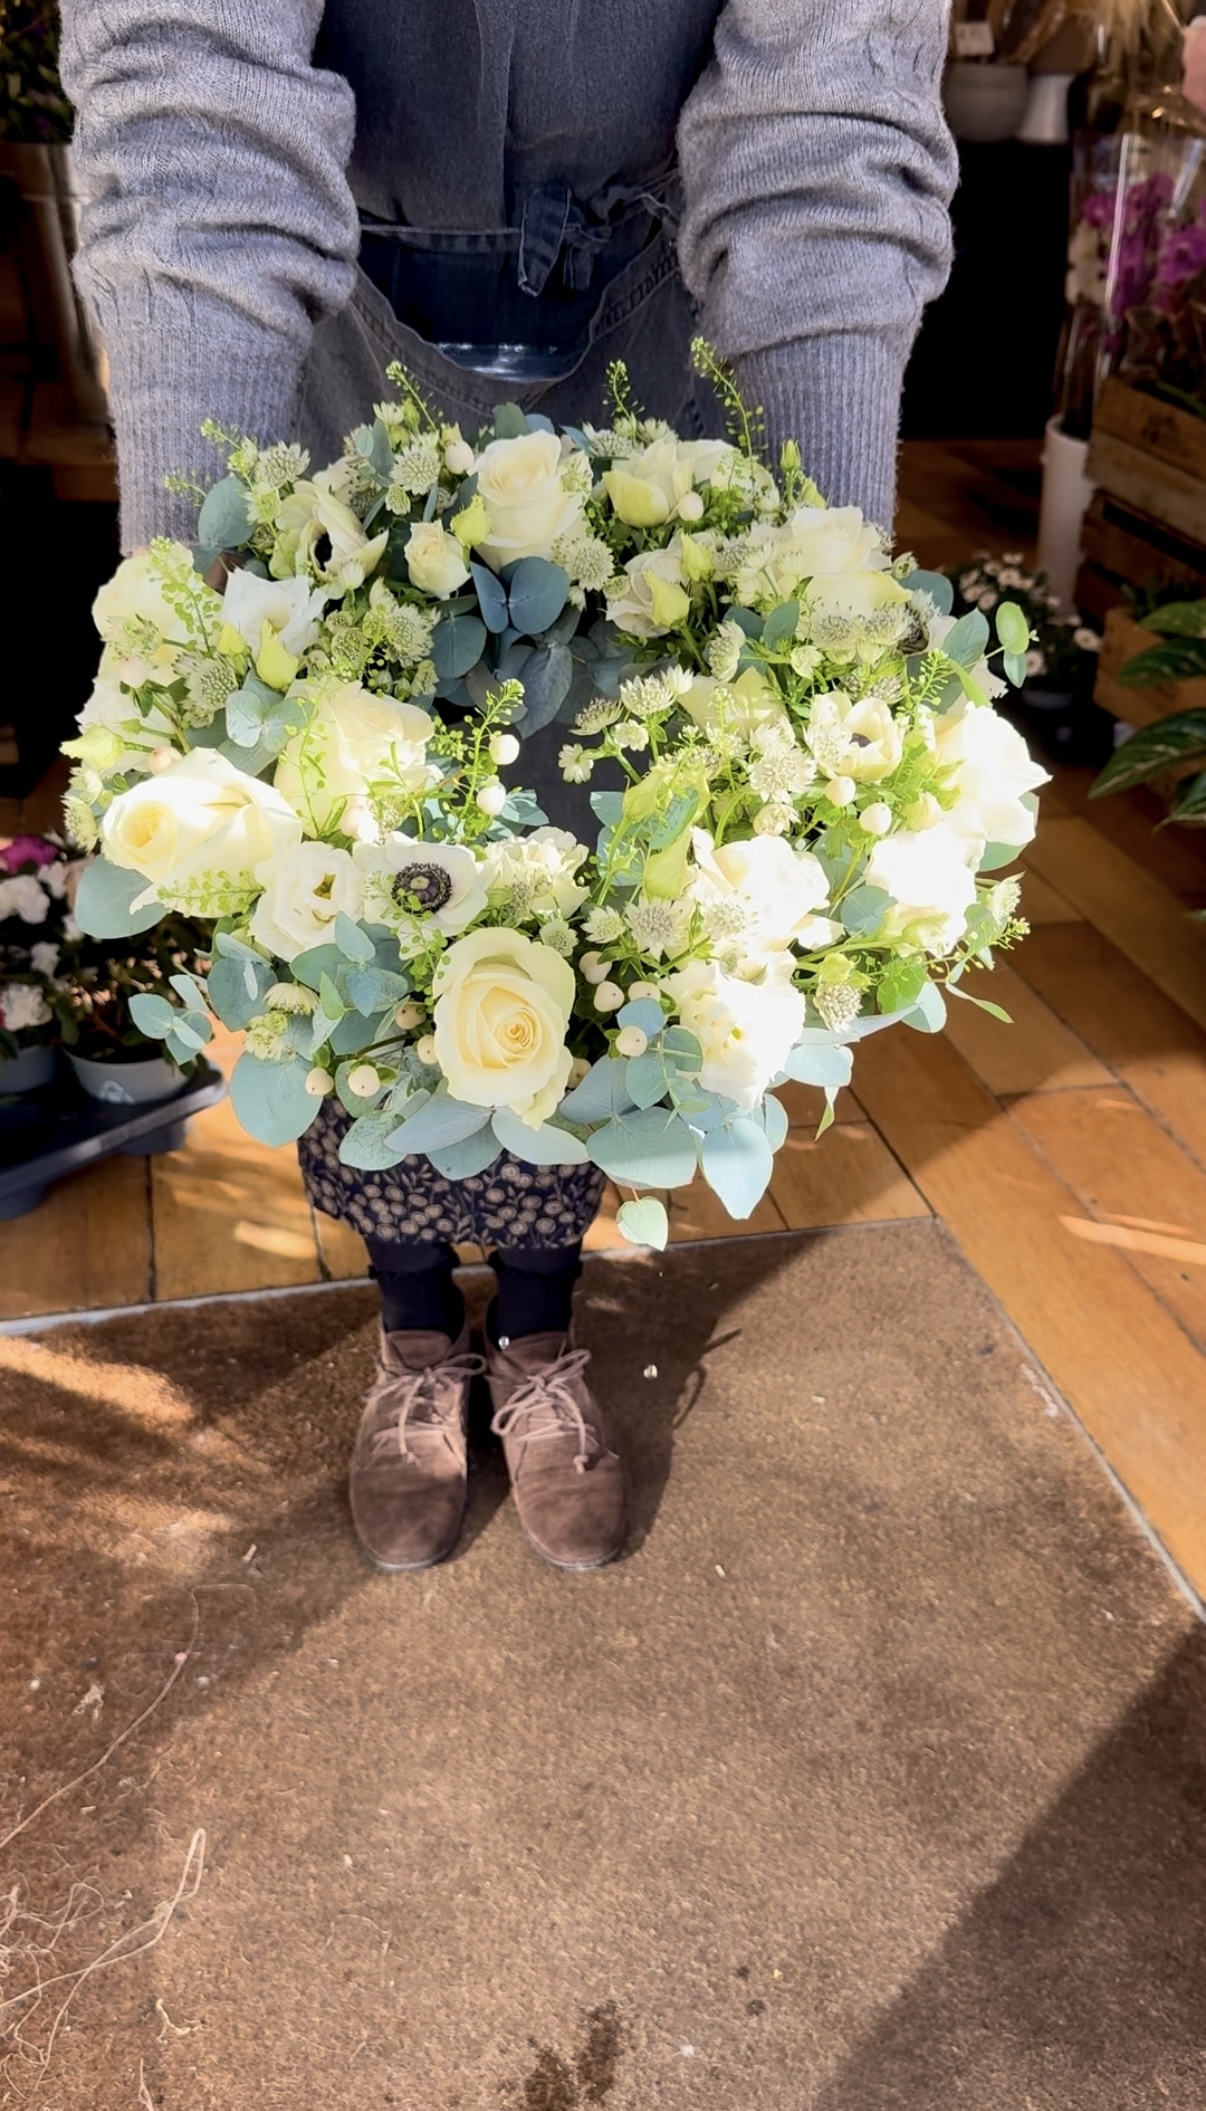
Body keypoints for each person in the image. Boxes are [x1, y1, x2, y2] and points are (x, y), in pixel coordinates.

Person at [60, 0, 956, 1577]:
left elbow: (825, 126)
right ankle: (415, 1334)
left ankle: (538, 1332)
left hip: (680, 334)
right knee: (332, 895)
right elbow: (193, 100)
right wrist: (177, 670)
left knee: (632, 917)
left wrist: (831, 653)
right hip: (312, 325)